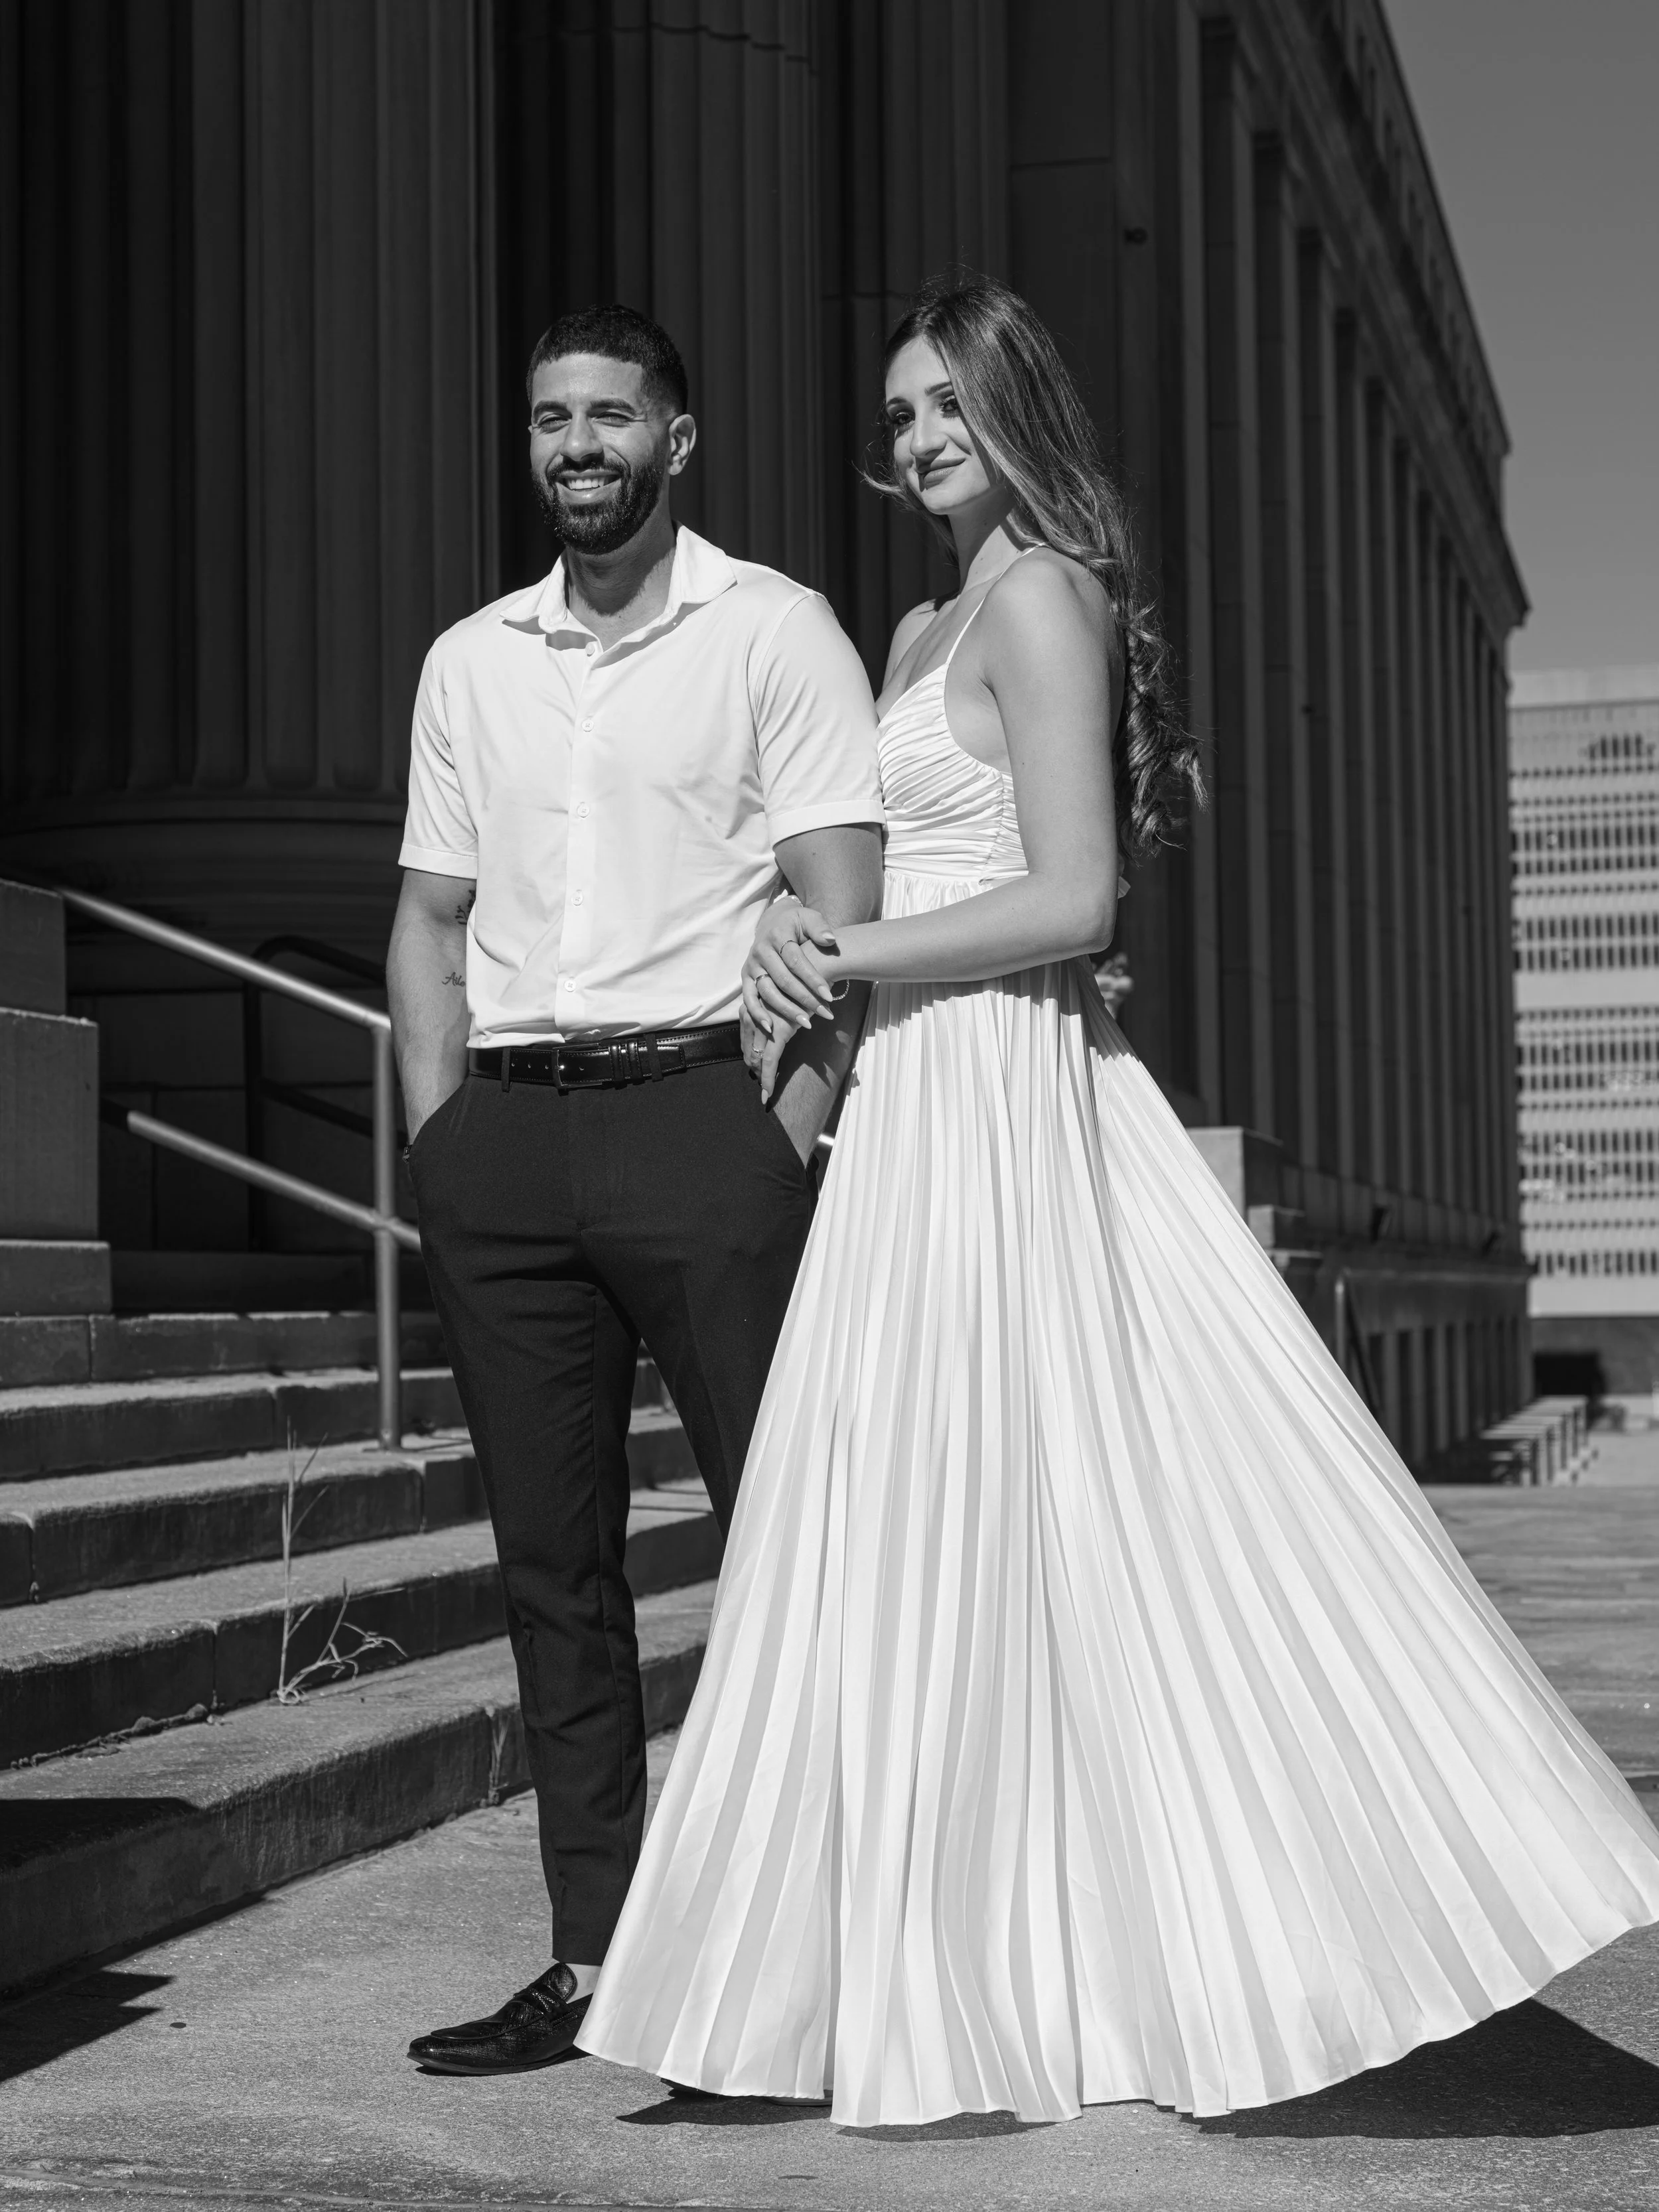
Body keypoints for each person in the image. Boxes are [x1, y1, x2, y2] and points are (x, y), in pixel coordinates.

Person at [577, 275, 1659, 2124]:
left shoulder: (1040, 594)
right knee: (905, 1523)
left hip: (1001, 1095)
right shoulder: (916, 622)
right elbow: (877, 862)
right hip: (916, 1101)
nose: (916, 436)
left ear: (1018, 410)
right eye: (899, 410)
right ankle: (927, 1977)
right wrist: (794, 933)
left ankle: (1071, 1964)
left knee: (1046, 1510)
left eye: (948, 405)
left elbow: (1078, 899)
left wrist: (849, 949)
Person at [388, 304, 884, 2075]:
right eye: (547, 420)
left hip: (704, 1124)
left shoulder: (775, 634)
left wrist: (784, 1137)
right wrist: (442, 1146)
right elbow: (430, 925)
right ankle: (597, 1955)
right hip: (508, 1147)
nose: (576, 445)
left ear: (679, 435)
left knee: (790, 1554)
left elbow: (840, 902)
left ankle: (810, 1973)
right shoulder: (471, 664)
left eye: (609, 414)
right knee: (555, 1572)